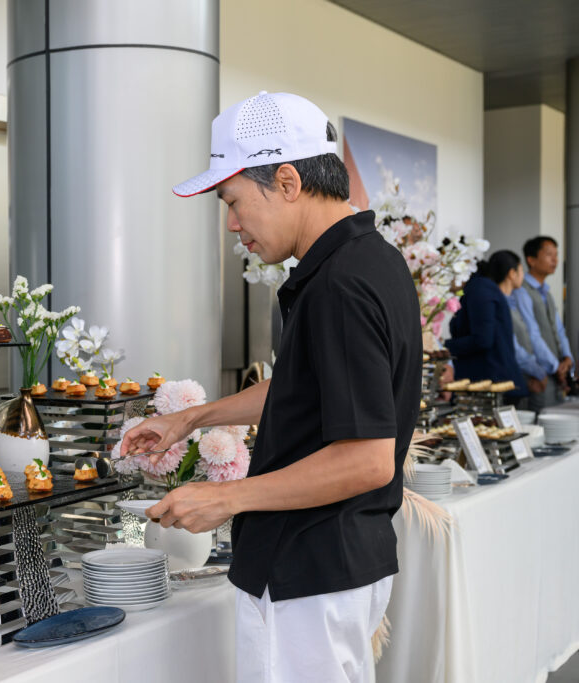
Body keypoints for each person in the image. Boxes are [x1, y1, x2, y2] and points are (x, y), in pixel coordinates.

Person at [127, 92, 421, 682]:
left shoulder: (339, 285)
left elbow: (367, 460)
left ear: (287, 181)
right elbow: (303, 387)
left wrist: (228, 498)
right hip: (337, 561)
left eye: (234, 201)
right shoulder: (370, 260)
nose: (232, 224)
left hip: (306, 573)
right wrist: (191, 418)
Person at [445, 250, 528, 400]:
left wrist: (445, 347)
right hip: (489, 379)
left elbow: (483, 339)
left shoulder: (480, 289)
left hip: (490, 382)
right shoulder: (480, 288)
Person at [509, 236, 573, 410]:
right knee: (539, 417)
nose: (555, 260)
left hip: (556, 372)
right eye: (549, 254)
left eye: (556, 255)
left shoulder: (546, 292)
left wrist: (568, 357)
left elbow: (559, 329)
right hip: (538, 372)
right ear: (531, 260)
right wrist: (556, 366)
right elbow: (531, 334)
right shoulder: (522, 291)